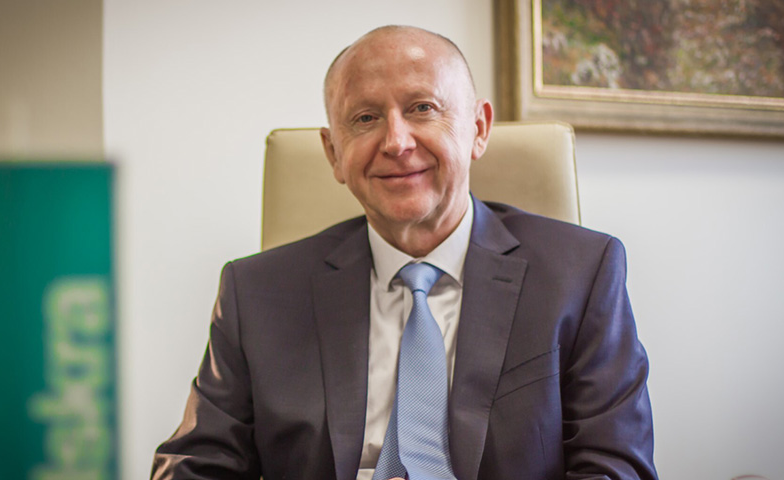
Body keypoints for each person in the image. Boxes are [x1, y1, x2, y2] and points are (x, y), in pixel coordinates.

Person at [152, 25, 658, 480]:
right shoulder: (255, 293)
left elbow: (617, 468)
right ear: (333, 153)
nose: (396, 141)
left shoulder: (581, 273)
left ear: (479, 128)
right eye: (365, 118)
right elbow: (193, 470)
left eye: (422, 108)